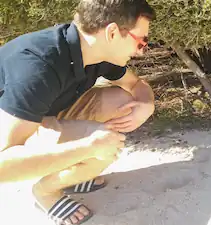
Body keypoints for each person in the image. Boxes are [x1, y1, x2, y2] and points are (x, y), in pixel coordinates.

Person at [0, 0, 156, 224]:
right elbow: (3, 165)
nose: (141, 51)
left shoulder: (94, 51)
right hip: (10, 127)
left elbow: (136, 85)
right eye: (141, 41)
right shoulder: (38, 66)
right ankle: (46, 192)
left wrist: (147, 105)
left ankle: (71, 173)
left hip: (44, 112)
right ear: (112, 33)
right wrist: (88, 147)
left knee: (124, 103)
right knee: (102, 143)